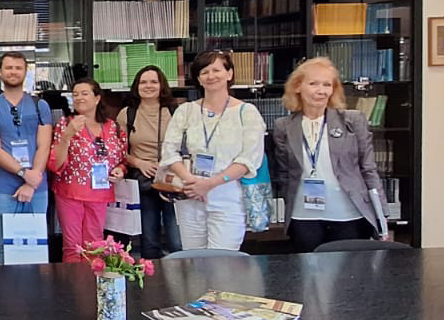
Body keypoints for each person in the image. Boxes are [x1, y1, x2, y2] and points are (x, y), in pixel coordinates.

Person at [271, 57, 386, 252]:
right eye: (313, 84)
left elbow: (368, 169)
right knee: (308, 269)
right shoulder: (283, 126)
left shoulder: (352, 121)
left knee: (350, 270)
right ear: (297, 87)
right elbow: (285, 174)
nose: (321, 91)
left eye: (327, 85)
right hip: (304, 215)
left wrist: (382, 215)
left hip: (349, 213)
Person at [159, 51, 266, 252]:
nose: (211, 76)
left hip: (228, 195)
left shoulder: (247, 113)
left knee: (223, 261)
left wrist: (209, 184)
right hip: (190, 194)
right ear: (198, 79)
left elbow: (248, 160)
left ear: (229, 74)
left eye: (216, 70)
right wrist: (192, 181)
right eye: (204, 72)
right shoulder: (186, 111)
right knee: (194, 259)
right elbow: (169, 151)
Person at [0, 52, 54, 263]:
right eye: (9, 68)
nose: (13, 72)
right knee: (4, 245)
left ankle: (35, 285)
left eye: (18, 68)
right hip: (4, 187)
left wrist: (32, 181)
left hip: (37, 187)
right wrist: (23, 173)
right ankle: (3, 285)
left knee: (36, 243)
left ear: (26, 72)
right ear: (0, 72)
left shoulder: (40, 106)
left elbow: (44, 145)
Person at [49, 79, 128, 263]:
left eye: (84, 93)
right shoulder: (65, 124)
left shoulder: (113, 127)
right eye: (75, 94)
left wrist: (120, 170)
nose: (79, 98)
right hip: (70, 192)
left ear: (97, 98)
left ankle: (92, 280)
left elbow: (123, 159)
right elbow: (55, 164)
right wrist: (67, 135)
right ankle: (73, 280)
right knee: (72, 246)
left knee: (96, 245)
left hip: (100, 192)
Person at [121, 65, 182, 259]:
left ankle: (181, 275)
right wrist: (139, 163)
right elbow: (118, 151)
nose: (148, 86)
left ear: (162, 85)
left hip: (173, 179)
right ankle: (152, 276)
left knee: (177, 238)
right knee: (149, 239)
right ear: (136, 86)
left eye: (154, 82)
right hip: (144, 180)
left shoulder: (176, 112)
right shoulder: (127, 114)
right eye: (143, 82)